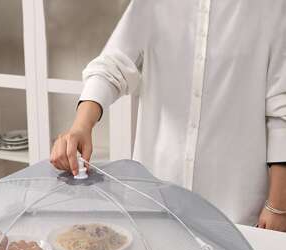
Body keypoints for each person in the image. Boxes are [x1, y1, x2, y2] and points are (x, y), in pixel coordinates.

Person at [50, 0, 286, 231]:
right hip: (156, 199)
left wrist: (278, 206)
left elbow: (281, 111)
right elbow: (113, 65)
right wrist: (81, 126)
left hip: (233, 210)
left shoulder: (272, 6)